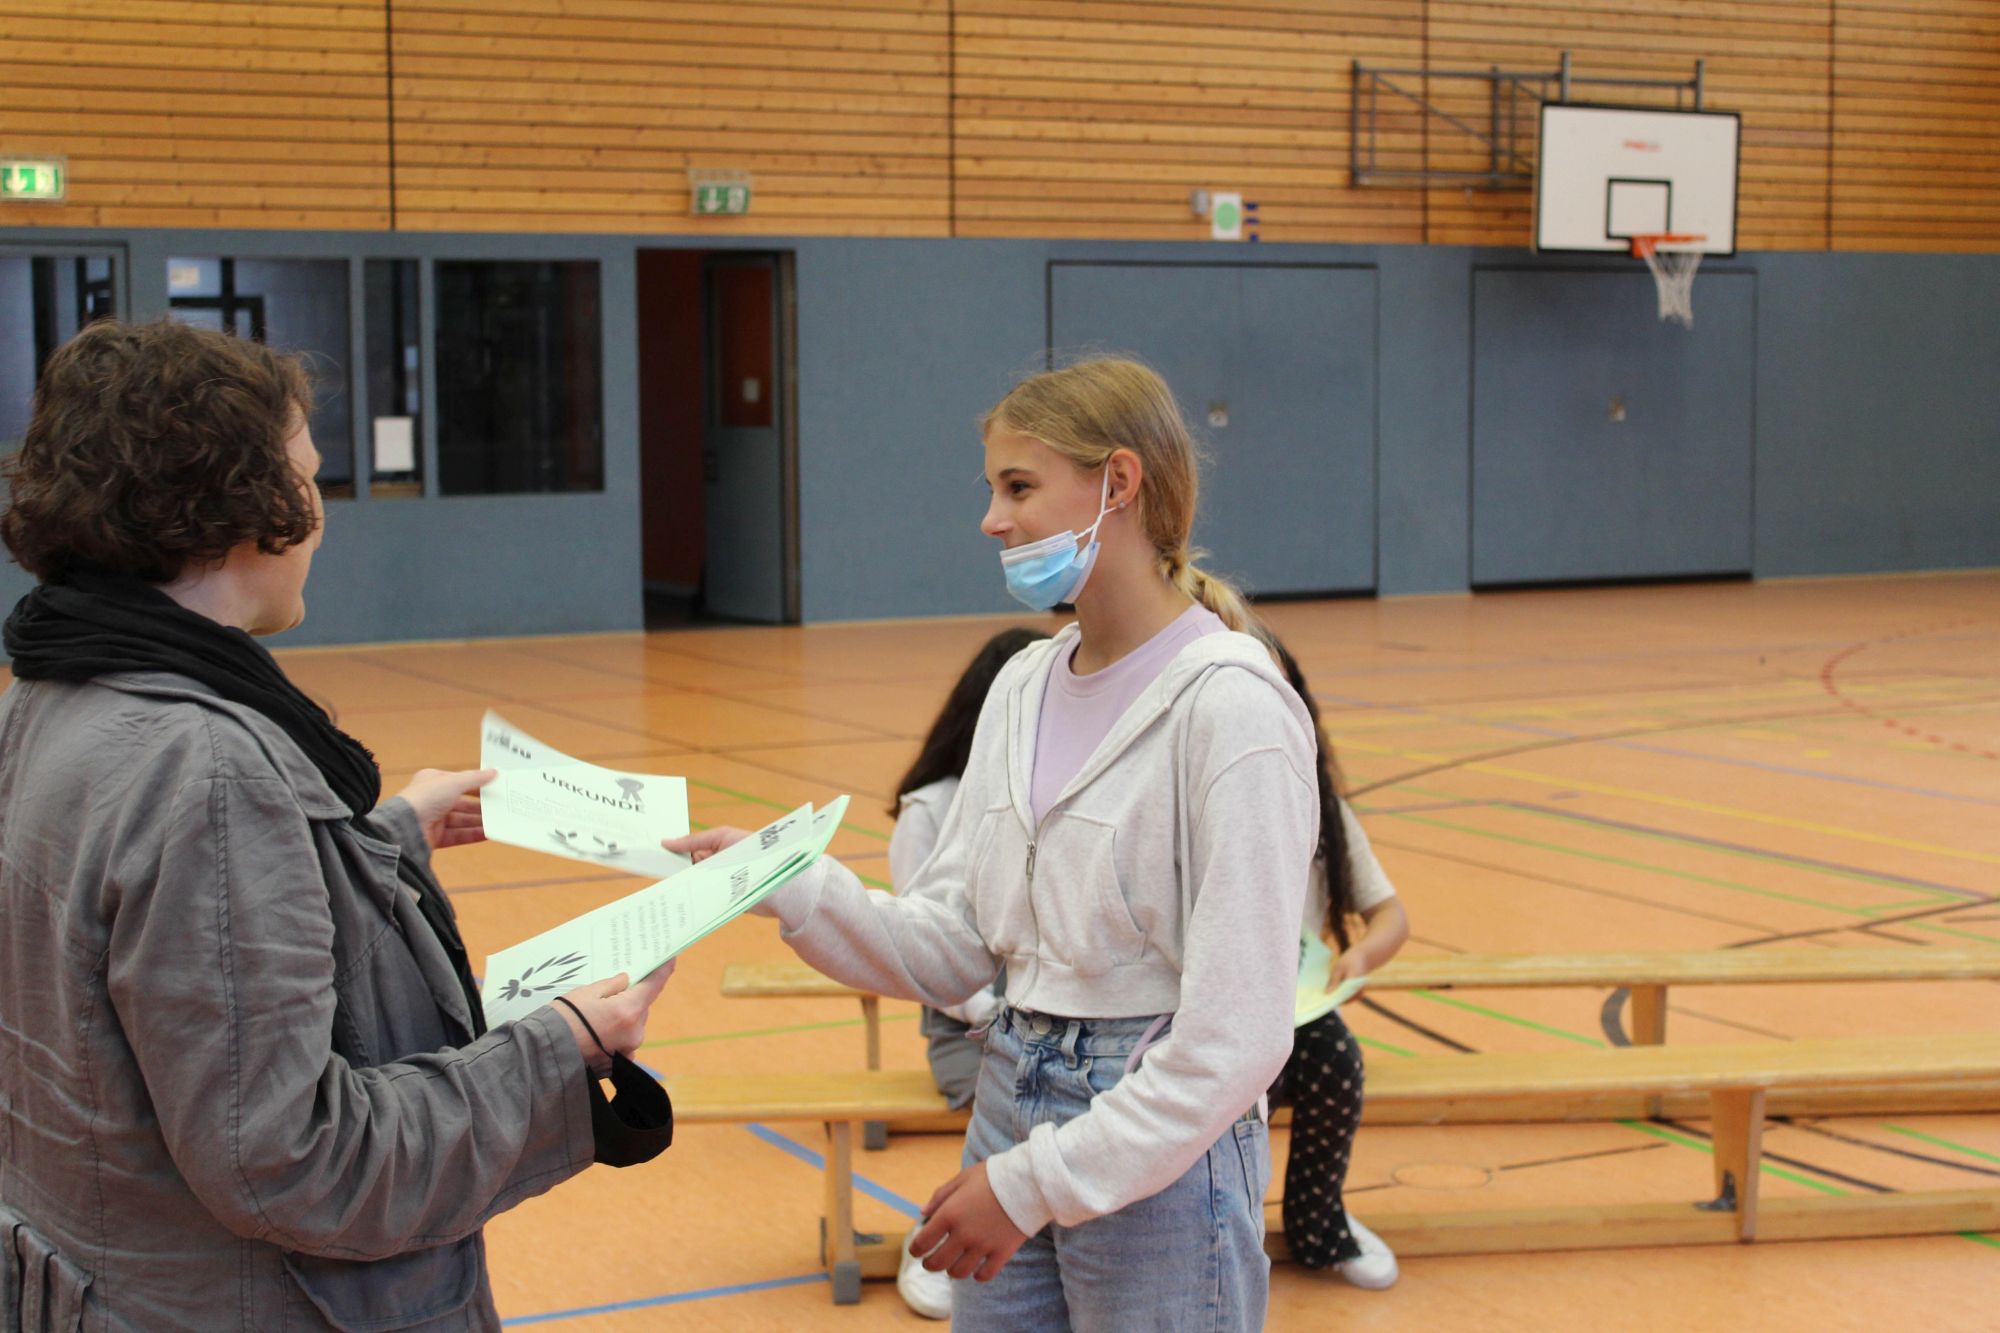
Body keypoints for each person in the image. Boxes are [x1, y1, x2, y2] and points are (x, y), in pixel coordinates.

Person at [0, 319, 671, 1331]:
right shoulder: (208, 769)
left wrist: (379, 839)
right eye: (308, 478)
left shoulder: (51, 697)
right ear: (242, 506)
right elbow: (295, 1161)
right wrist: (556, 1048)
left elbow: (165, 953)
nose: (321, 513)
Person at [671, 357, 1319, 1331]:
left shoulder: (1233, 707)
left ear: (1118, 482)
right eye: (992, 489)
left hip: (1158, 1144)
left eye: (1017, 487)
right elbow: (958, 940)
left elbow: (1237, 1038)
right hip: (1009, 1090)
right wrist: (788, 883)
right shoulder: (1020, 685)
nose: (990, 519)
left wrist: (1029, 1186)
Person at [885, 624, 1050, 1318]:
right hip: (968, 1025)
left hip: (1046, 1015)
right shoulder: (930, 809)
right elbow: (925, 943)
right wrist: (991, 1014)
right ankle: (934, 1235)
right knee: (1022, 1100)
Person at [1265, 637, 1411, 1290]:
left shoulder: (1324, 810)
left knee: (1337, 1066)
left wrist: (1360, 956)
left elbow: (1391, 915)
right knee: (1234, 1093)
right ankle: (1217, 1226)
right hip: (1211, 1001)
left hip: (1295, 1002)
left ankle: (1318, 1222)